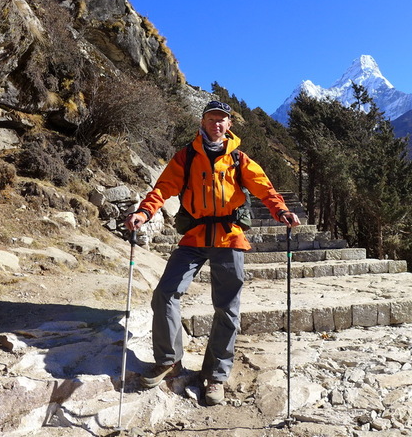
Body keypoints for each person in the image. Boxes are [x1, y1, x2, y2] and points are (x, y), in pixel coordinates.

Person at [125, 100, 300, 406]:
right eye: (211, 119)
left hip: (229, 237)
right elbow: (163, 188)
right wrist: (144, 212)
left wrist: (281, 211)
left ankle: (215, 376)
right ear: (203, 123)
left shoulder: (239, 159)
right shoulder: (187, 157)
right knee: (165, 293)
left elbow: (264, 188)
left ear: (229, 125)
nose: (217, 124)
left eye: (222, 119)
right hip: (194, 235)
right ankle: (169, 360)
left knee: (227, 309)